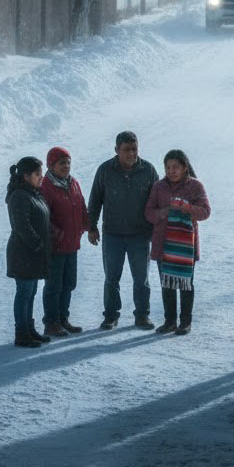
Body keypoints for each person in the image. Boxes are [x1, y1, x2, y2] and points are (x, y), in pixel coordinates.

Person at [87, 130, 159, 330]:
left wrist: (157, 230)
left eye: (134, 149)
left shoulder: (148, 170)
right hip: (113, 234)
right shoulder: (105, 170)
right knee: (111, 278)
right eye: (126, 150)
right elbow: (95, 201)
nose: (131, 153)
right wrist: (91, 227)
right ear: (116, 150)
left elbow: (158, 201)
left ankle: (142, 316)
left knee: (141, 279)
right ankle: (111, 316)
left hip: (140, 235)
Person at [145, 149, 211, 335]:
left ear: (184, 167)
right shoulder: (159, 187)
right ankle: (170, 321)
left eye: (175, 167)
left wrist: (187, 208)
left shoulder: (195, 186)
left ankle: (185, 322)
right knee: (167, 283)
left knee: (185, 284)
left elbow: (206, 211)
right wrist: (163, 212)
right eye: (168, 167)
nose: (171, 171)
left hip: (185, 246)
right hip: (163, 243)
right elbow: (148, 213)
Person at [40, 146, 89, 337]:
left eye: (68, 162)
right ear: (51, 165)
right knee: (53, 286)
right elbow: (44, 217)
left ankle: (62, 319)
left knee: (69, 284)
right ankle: (51, 323)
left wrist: (86, 225)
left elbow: (81, 205)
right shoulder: (46, 187)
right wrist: (58, 235)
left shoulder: (73, 183)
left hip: (72, 244)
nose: (66, 166)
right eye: (62, 163)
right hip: (55, 247)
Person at [6, 156, 52, 348]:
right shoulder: (19, 196)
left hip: (33, 253)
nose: (41, 177)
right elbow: (21, 225)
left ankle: (29, 329)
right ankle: (21, 333)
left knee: (31, 291)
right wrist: (37, 243)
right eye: (38, 174)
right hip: (24, 253)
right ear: (26, 176)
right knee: (24, 292)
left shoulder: (33, 193)